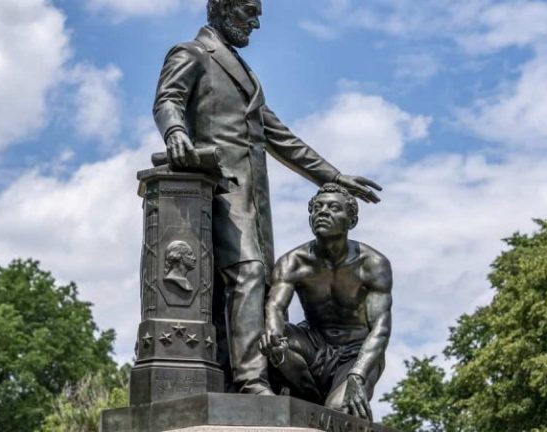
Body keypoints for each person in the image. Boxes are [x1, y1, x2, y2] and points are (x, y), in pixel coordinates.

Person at [153, 0, 383, 395]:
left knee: (247, 285)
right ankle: (250, 381)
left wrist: (334, 176)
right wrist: (176, 132)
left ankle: (229, 376)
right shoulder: (191, 53)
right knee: (249, 272)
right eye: (249, 11)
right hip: (217, 191)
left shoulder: (244, 72)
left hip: (253, 202)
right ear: (222, 8)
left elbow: (283, 138)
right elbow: (168, 99)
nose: (256, 22)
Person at [259, 184, 392, 421]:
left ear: (352, 221)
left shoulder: (373, 264)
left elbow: (380, 329)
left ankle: (334, 395)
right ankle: (303, 396)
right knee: (274, 340)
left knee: (338, 413)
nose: (323, 212)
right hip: (314, 346)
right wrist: (272, 334)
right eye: (317, 207)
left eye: (334, 208)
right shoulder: (293, 262)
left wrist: (358, 375)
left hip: (356, 352)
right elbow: (275, 307)